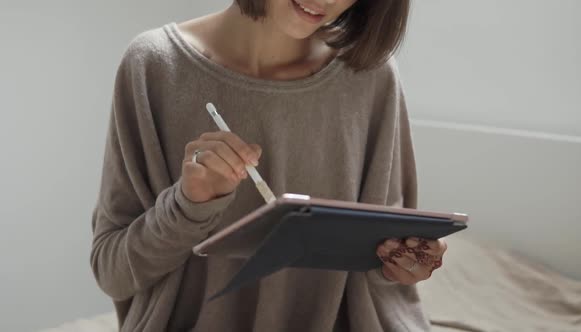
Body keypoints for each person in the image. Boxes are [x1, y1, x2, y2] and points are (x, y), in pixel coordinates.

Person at [91, 0, 448, 331]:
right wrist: (188, 205)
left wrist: (399, 265)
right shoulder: (153, 65)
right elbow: (112, 272)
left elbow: (381, 263)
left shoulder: (371, 75)